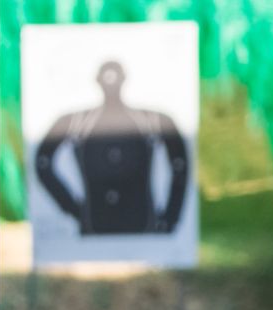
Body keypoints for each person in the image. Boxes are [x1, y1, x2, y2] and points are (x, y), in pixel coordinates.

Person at [35, 60, 190, 236]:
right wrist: (72, 208)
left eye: (114, 76)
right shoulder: (76, 122)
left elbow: (179, 165)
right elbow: (43, 164)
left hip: (140, 222)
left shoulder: (153, 120)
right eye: (106, 77)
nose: (111, 83)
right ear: (98, 80)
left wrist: (171, 216)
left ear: (123, 78)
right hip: (96, 223)